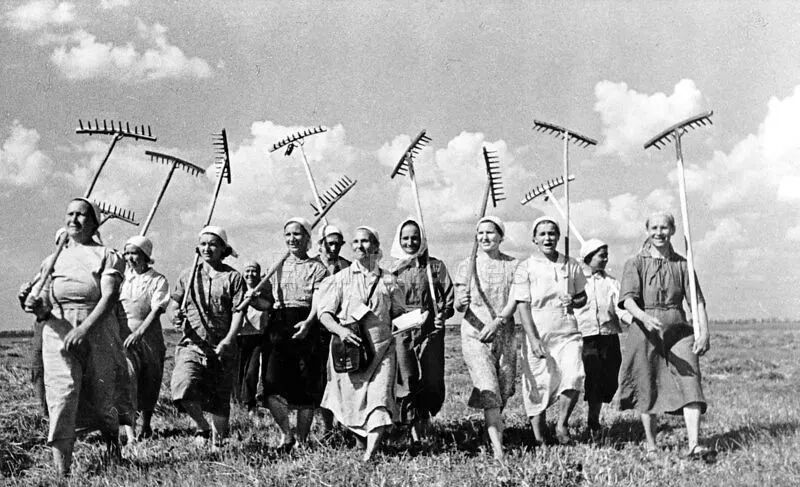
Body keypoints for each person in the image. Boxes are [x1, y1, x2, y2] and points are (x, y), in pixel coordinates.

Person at [21, 198, 129, 476]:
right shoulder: (52, 260)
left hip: (98, 331)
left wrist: (84, 329)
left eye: (82, 215)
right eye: (70, 214)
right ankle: (62, 473)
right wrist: (33, 304)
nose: (74, 219)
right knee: (62, 397)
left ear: (95, 222)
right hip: (58, 333)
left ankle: (113, 449)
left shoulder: (107, 255)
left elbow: (109, 296)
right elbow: (43, 307)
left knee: (103, 399)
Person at [319, 226, 426, 461]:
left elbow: (398, 315)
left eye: (366, 241)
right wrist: (341, 331)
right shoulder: (340, 279)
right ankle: (364, 443)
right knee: (353, 404)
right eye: (356, 242)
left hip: (382, 351)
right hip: (352, 351)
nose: (360, 246)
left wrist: (414, 320)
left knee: (379, 400)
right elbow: (325, 314)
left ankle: (370, 454)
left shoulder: (389, 280)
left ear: (376, 246)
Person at [618, 212, 713, 461]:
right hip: (645, 329)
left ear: (672, 230)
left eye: (664, 228)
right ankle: (652, 446)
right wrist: (644, 317)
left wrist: (704, 332)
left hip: (678, 329)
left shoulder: (683, 264)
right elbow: (627, 300)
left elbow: (697, 302)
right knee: (647, 384)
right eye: (654, 228)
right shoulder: (635, 263)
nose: (659, 233)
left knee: (691, 380)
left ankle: (694, 445)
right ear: (647, 231)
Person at [168, 226, 245, 449]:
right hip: (192, 343)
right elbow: (173, 304)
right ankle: (202, 426)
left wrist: (229, 339)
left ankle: (218, 442)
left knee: (220, 399)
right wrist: (174, 314)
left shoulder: (233, 277)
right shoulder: (188, 275)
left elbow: (239, 311)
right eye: (203, 244)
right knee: (182, 386)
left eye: (213, 244)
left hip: (222, 346)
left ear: (223, 249)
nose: (207, 248)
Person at [513, 216, 587, 445]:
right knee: (538, 383)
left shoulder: (571, 264)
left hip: (567, 331)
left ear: (558, 237)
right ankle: (539, 437)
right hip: (538, 331)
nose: (548, 238)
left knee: (574, 375)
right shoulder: (525, 267)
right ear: (534, 239)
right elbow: (522, 305)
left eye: (552, 233)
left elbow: (583, 297)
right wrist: (533, 339)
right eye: (542, 234)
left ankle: (562, 424)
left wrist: (573, 300)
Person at [453, 216, 519, 460]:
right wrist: (460, 302)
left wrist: (498, 321)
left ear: (501, 236)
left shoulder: (514, 265)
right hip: (475, 334)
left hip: (504, 332)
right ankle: (499, 451)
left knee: (505, 388)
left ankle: (490, 430)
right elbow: (458, 305)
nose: (485, 237)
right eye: (480, 233)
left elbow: (515, 299)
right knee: (489, 389)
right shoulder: (466, 266)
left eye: (490, 232)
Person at [262, 217, 328, 451]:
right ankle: (286, 435)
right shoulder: (275, 266)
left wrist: (308, 323)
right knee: (271, 385)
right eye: (288, 234)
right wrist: (253, 297)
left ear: (307, 238)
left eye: (297, 234)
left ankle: (302, 440)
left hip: (306, 324)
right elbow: (266, 302)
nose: (292, 239)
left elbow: (319, 301)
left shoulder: (318, 268)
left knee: (305, 387)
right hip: (279, 325)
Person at [390, 217, 454, 441]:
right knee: (407, 379)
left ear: (422, 240)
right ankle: (411, 430)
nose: (410, 242)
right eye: (406, 238)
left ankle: (425, 421)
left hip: (430, 329)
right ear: (399, 240)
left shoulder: (435, 266)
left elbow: (448, 299)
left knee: (431, 378)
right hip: (403, 330)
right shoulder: (392, 270)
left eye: (415, 238)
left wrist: (443, 315)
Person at [574, 238, 631, 433]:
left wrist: (635, 320)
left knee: (610, 378)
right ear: (589, 257)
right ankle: (593, 421)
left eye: (607, 255)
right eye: (602, 256)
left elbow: (621, 309)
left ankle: (594, 416)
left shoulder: (612, 282)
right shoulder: (577, 281)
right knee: (593, 377)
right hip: (586, 336)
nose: (606, 259)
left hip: (608, 336)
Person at [119, 236, 170, 442]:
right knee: (128, 381)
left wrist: (140, 333)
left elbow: (157, 310)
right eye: (127, 253)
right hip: (124, 338)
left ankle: (146, 425)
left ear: (146, 256)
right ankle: (130, 433)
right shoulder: (122, 279)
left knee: (150, 381)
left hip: (149, 337)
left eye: (135, 253)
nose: (130, 258)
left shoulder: (158, 280)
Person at [314, 224, 351, 434]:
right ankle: (327, 427)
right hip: (316, 331)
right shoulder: (312, 265)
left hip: (340, 329)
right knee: (322, 379)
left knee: (342, 377)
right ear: (321, 244)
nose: (333, 248)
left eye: (337, 244)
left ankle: (344, 424)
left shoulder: (348, 267)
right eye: (329, 243)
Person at [236, 261, 272, 414]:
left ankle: (251, 404)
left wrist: (255, 299)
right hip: (239, 335)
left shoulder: (265, 289)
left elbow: (267, 305)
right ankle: (238, 404)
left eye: (254, 271)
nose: (250, 274)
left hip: (257, 335)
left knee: (252, 372)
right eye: (247, 271)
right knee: (238, 372)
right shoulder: (238, 289)